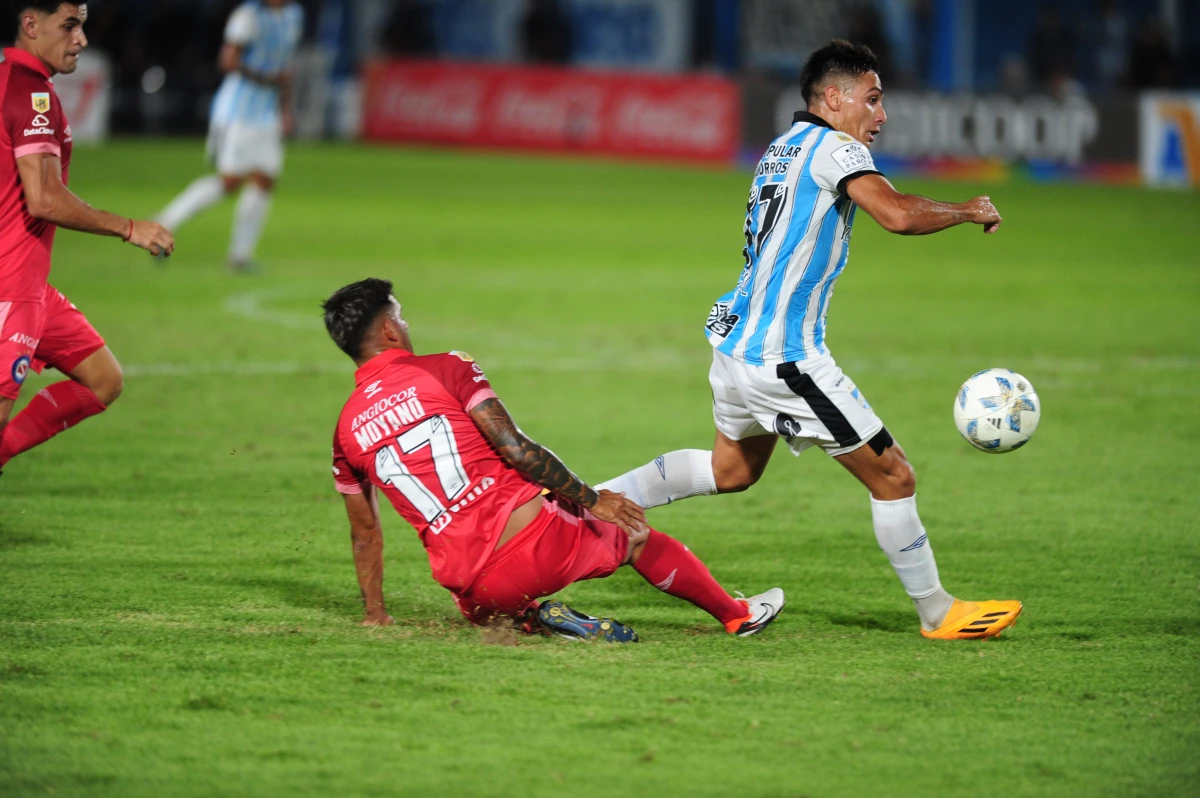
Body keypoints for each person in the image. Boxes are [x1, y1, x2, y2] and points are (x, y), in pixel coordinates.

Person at [598, 40, 1022, 641]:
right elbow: (896, 214)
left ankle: (592, 497)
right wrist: (966, 208)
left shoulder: (782, 148)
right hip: (785, 359)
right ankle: (938, 611)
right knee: (894, 475)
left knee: (731, 469)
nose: (881, 115)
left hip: (736, 343)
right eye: (872, 100)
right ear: (833, 98)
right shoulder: (834, 147)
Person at [322, 278, 785, 641]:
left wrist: (375, 615)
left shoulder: (344, 428)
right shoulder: (445, 367)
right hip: (529, 546)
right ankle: (737, 616)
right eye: (400, 316)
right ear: (388, 330)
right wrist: (591, 499)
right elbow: (517, 449)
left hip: (474, 594)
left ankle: (536, 618)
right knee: (634, 533)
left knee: (493, 594)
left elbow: (364, 533)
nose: (405, 325)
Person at [0, 1, 174, 471]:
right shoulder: (30, 94)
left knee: (103, 379)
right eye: (70, 26)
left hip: (30, 285)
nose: (81, 39)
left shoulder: (10, 85)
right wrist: (130, 228)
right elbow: (45, 199)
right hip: (10, 287)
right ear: (30, 25)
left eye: (82, 26)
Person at [155, 0, 303, 272]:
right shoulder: (249, 16)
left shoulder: (294, 16)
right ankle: (164, 223)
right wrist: (266, 79)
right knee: (230, 182)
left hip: (267, 115)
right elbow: (228, 60)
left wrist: (285, 109)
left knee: (265, 179)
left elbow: (286, 68)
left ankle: (240, 256)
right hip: (238, 112)